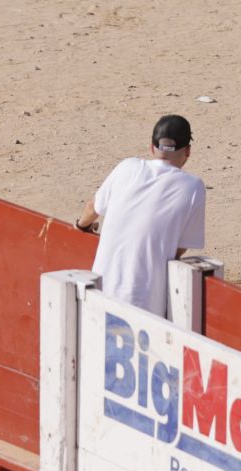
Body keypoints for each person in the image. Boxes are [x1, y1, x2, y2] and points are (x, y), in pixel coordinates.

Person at [74, 114, 205, 318]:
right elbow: (180, 247)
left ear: (152, 148)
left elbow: (92, 208)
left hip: (101, 292)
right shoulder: (193, 187)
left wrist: (82, 226)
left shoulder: (127, 167)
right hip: (146, 304)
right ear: (187, 151)